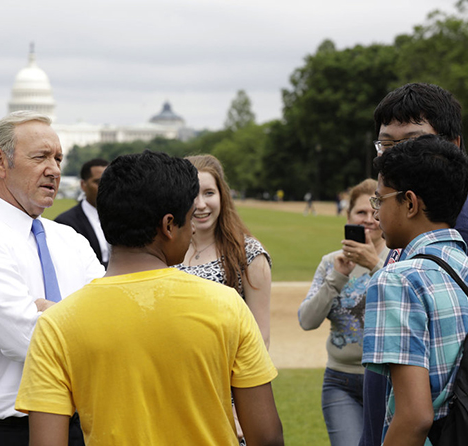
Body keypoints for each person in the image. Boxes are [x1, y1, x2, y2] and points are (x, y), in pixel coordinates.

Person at [15, 150, 284, 446]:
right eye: (188, 218)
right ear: (169, 226)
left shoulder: (56, 325)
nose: (193, 227)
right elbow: (267, 436)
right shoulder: (226, 305)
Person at [0, 111, 104, 446]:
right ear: (0, 161)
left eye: (58, 158)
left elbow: (114, 322)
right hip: (0, 432)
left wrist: (48, 311)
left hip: (77, 426)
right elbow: (28, 339)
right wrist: (76, 320)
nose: (54, 169)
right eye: (40, 157)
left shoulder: (69, 239)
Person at [360, 83, 468, 446]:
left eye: (379, 200)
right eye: (387, 144)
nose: (396, 156)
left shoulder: (399, 278)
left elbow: (415, 415)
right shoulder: (465, 262)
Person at [175, 154, 272, 444]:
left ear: (223, 196)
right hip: (174, 391)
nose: (201, 204)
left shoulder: (248, 254)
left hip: (226, 395)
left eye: (209, 193)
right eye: (193, 194)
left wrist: (239, 405)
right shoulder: (164, 251)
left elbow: (259, 339)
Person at [298, 179, 388, 446]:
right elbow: (307, 320)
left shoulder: (400, 258)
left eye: (375, 211)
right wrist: (337, 277)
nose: (369, 219)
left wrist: (375, 265)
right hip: (340, 382)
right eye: (361, 213)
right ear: (348, 216)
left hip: (388, 383)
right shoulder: (331, 262)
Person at [55, 158, 110, 267]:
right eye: (98, 182)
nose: (106, 186)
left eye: (109, 181)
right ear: (83, 185)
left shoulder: (124, 217)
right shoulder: (65, 223)